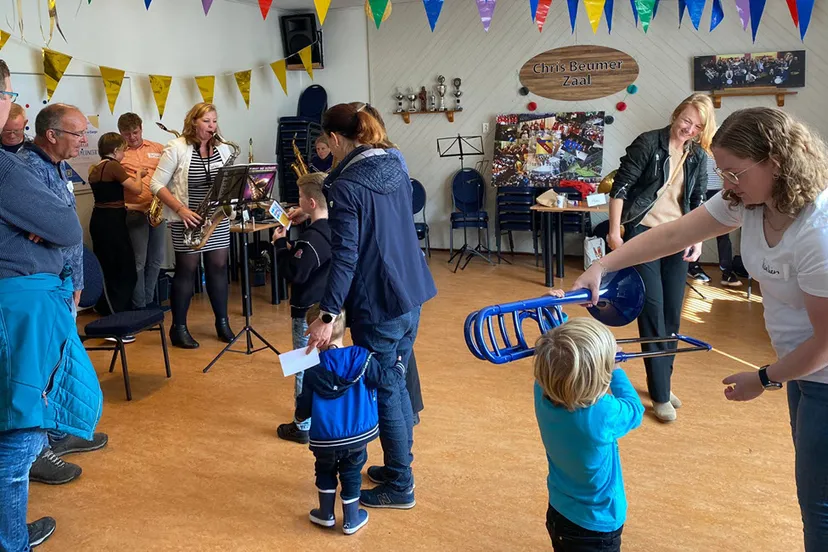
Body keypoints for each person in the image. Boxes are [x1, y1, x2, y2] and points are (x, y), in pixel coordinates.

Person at [572, 107, 828, 551]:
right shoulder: (748, 200)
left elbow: (826, 346)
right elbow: (672, 234)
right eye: (721, 171)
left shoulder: (817, 232)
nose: (725, 183)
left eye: (735, 173)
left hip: (818, 371)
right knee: (815, 492)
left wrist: (764, 378)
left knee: (820, 504)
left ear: (777, 163)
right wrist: (604, 264)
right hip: (801, 371)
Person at [304, 103, 437, 509]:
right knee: (397, 377)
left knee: (387, 390)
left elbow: (345, 257)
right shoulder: (394, 160)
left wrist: (327, 316)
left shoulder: (344, 186)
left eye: (326, 141)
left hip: (378, 300)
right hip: (410, 290)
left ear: (335, 139)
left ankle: (401, 482)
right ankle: (398, 465)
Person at [0, 58, 104, 552]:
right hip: (23, 304)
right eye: (77, 133)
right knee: (21, 420)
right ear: (50, 135)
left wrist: (75, 280)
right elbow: (63, 230)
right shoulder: (17, 169)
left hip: (54, 290)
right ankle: (13, 534)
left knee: (38, 399)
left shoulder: (56, 171)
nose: (84, 141)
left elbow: (63, 236)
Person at [607, 93, 716, 422]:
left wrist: (697, 239)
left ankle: (663, 382)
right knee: (652, 312)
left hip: (678, 237)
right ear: (675, 113)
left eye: (697, 126)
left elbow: (697, 202)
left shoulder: (698, 156)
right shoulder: (648, 143)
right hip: (643, 234)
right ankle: (659, 394)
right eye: (686, 120)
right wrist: (615, 232)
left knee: (671, 315)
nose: (689, 129)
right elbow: (620, 188)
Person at [534, 312, 644, 551]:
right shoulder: (602, 414)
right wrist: (616, 370)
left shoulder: (542, 392)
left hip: (559, 511)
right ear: (597, 377)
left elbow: (557, 358)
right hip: (596, 527)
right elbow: (636, 409)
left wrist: (556, 317)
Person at [149, 102, 234, 349]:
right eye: (207, 121)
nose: (212, 126)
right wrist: (181, 210)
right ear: (193, 121)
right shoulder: (177, 147)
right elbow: (156, 184)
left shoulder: (224, 148)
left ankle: (222, 323)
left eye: (215, 121)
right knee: (187, 270)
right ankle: (179, 328)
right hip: (186, 218)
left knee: (219, 267)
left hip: (216, 218)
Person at [294, 305, 382, 535]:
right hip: (357, 435)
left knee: (324, 471)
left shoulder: (312, 369)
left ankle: (326, 515)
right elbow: (380, 380)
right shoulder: (362, 357)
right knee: (352, 473)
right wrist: (399, 367)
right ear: (343, 329)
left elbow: (304, 403)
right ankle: (351, 519)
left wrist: (299, 416)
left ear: (317, 336)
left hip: (325, 439)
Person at [273, 173, 332, 444]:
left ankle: (302, 424)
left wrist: (280, 246)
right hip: (332, 308)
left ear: (309, 202)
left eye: (299, 199)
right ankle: (327, 412)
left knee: (304, 364)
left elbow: (295, 272)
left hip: (308, 311)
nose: (296, 203)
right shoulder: (336, 227)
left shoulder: (311, 240)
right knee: (329, 360)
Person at [87, 132, 144, 315]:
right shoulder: (114, 166)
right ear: (116, 150)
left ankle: (106, 306)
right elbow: (136, 189)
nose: (124, 154)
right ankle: (120, 309)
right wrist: (138, 175)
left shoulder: (95, 169)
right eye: (123, 150)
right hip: (113, 223)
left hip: (99, 219)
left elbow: (108, 199)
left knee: (107, 266)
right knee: (125, 268)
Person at [118, 112, 166, 309]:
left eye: (135, 132)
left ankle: (149, 300)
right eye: (127, 134)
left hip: (157, 210)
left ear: (141, 128)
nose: (132, 137)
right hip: (135, 212)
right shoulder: (119, 154)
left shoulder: (158, 148)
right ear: (121, 133)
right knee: (139, 261)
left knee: (156, 259)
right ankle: (139, 306)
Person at [687, 154, 742, 287]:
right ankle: (692, 266)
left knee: (723, 233)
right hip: (700, 191)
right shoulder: (697, 148)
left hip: (720, 192)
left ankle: (727, 271)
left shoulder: (723, 145)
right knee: (698, 231)